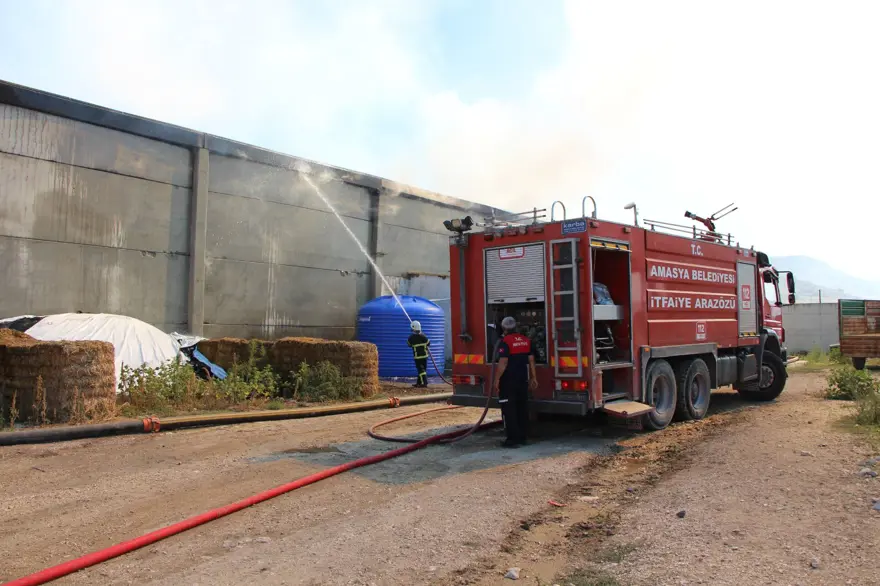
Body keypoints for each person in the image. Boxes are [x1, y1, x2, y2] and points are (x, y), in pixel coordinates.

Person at [493, 316, 538, 448]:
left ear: (504, 328)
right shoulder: (526, 341)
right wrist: (533, 378)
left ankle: (512, 439)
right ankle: (523, 437)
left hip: (508, 382)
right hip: (522, 380)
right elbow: (531, 361)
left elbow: (503, 363)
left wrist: (496, 380)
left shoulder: (505, 341)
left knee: (509, 410)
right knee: (522, 409)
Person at [407, 321, 430, 388]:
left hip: (417, 357)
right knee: (423, 369)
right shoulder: (423, 336)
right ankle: (419, 383)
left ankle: (424, 383)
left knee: (420, 370)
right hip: (425, 356)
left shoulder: (411, 337)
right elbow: (428, 343)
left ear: (413, 328)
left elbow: (408, 344)